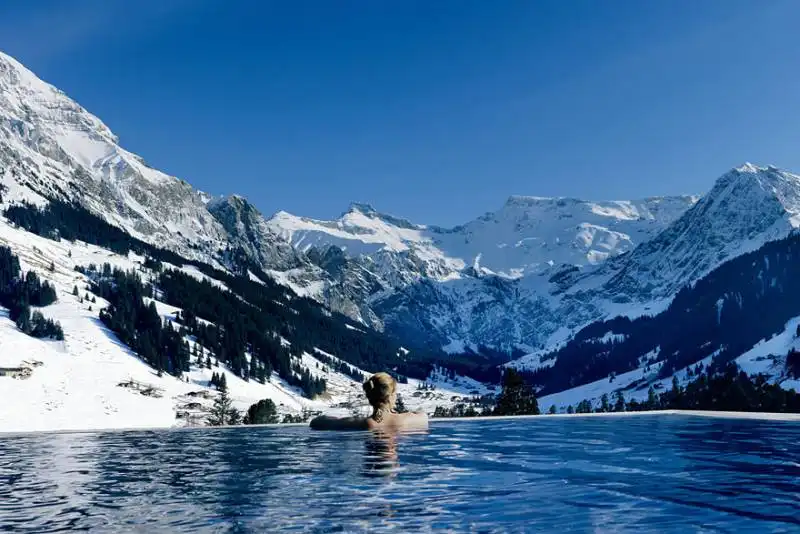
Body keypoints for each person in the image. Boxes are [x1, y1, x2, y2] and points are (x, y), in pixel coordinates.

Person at [309, 372, 428, 431]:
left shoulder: (365, 424)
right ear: (391, 396)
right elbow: (424, 416)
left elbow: (315, 422)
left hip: (369, 468)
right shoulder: (406, 419)